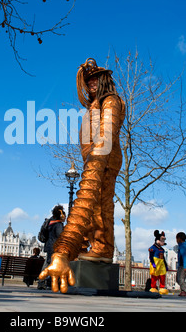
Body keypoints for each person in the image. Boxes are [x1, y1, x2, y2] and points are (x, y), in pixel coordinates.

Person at [39, 58, 125, 293]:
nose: (91, 83)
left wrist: (96, 160)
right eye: (88, 81)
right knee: (95, 206)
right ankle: (93, 246)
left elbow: (106, 135)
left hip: (103, 159)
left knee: (99, 204)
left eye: (95, 79)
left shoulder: (111, 102)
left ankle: (103, 248)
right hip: (94, 158)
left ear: (105, 79)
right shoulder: (95, 106)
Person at [38, 205, 66, 290]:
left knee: (47, 264)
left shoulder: (50, 222)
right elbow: (60, 236)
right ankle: (47, 282)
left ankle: (42, 282)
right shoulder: (58, 225)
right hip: (55, 247)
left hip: (48, 246)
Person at [148, 230, 169, 295]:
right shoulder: (153, 248)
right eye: (162, 241)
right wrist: (153, 263)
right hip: (156, 262)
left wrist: (165, 265)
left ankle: (162, 287)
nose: (163, 242)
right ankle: (153, 287)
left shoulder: (162, 249)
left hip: (161, 263)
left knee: (162, 275)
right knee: (154, 275)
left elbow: (163, 258)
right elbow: (151, 257)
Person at [176, 232, 186, 297]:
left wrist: (185, 266)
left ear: (179, 239)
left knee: (180, 279)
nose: (176, 241)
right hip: (180, 265)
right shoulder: (181, 245)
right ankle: (185, 288)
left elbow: (184, 256)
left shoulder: (183, 246)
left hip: (183, 265)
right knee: (178, 279)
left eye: (177, 239)